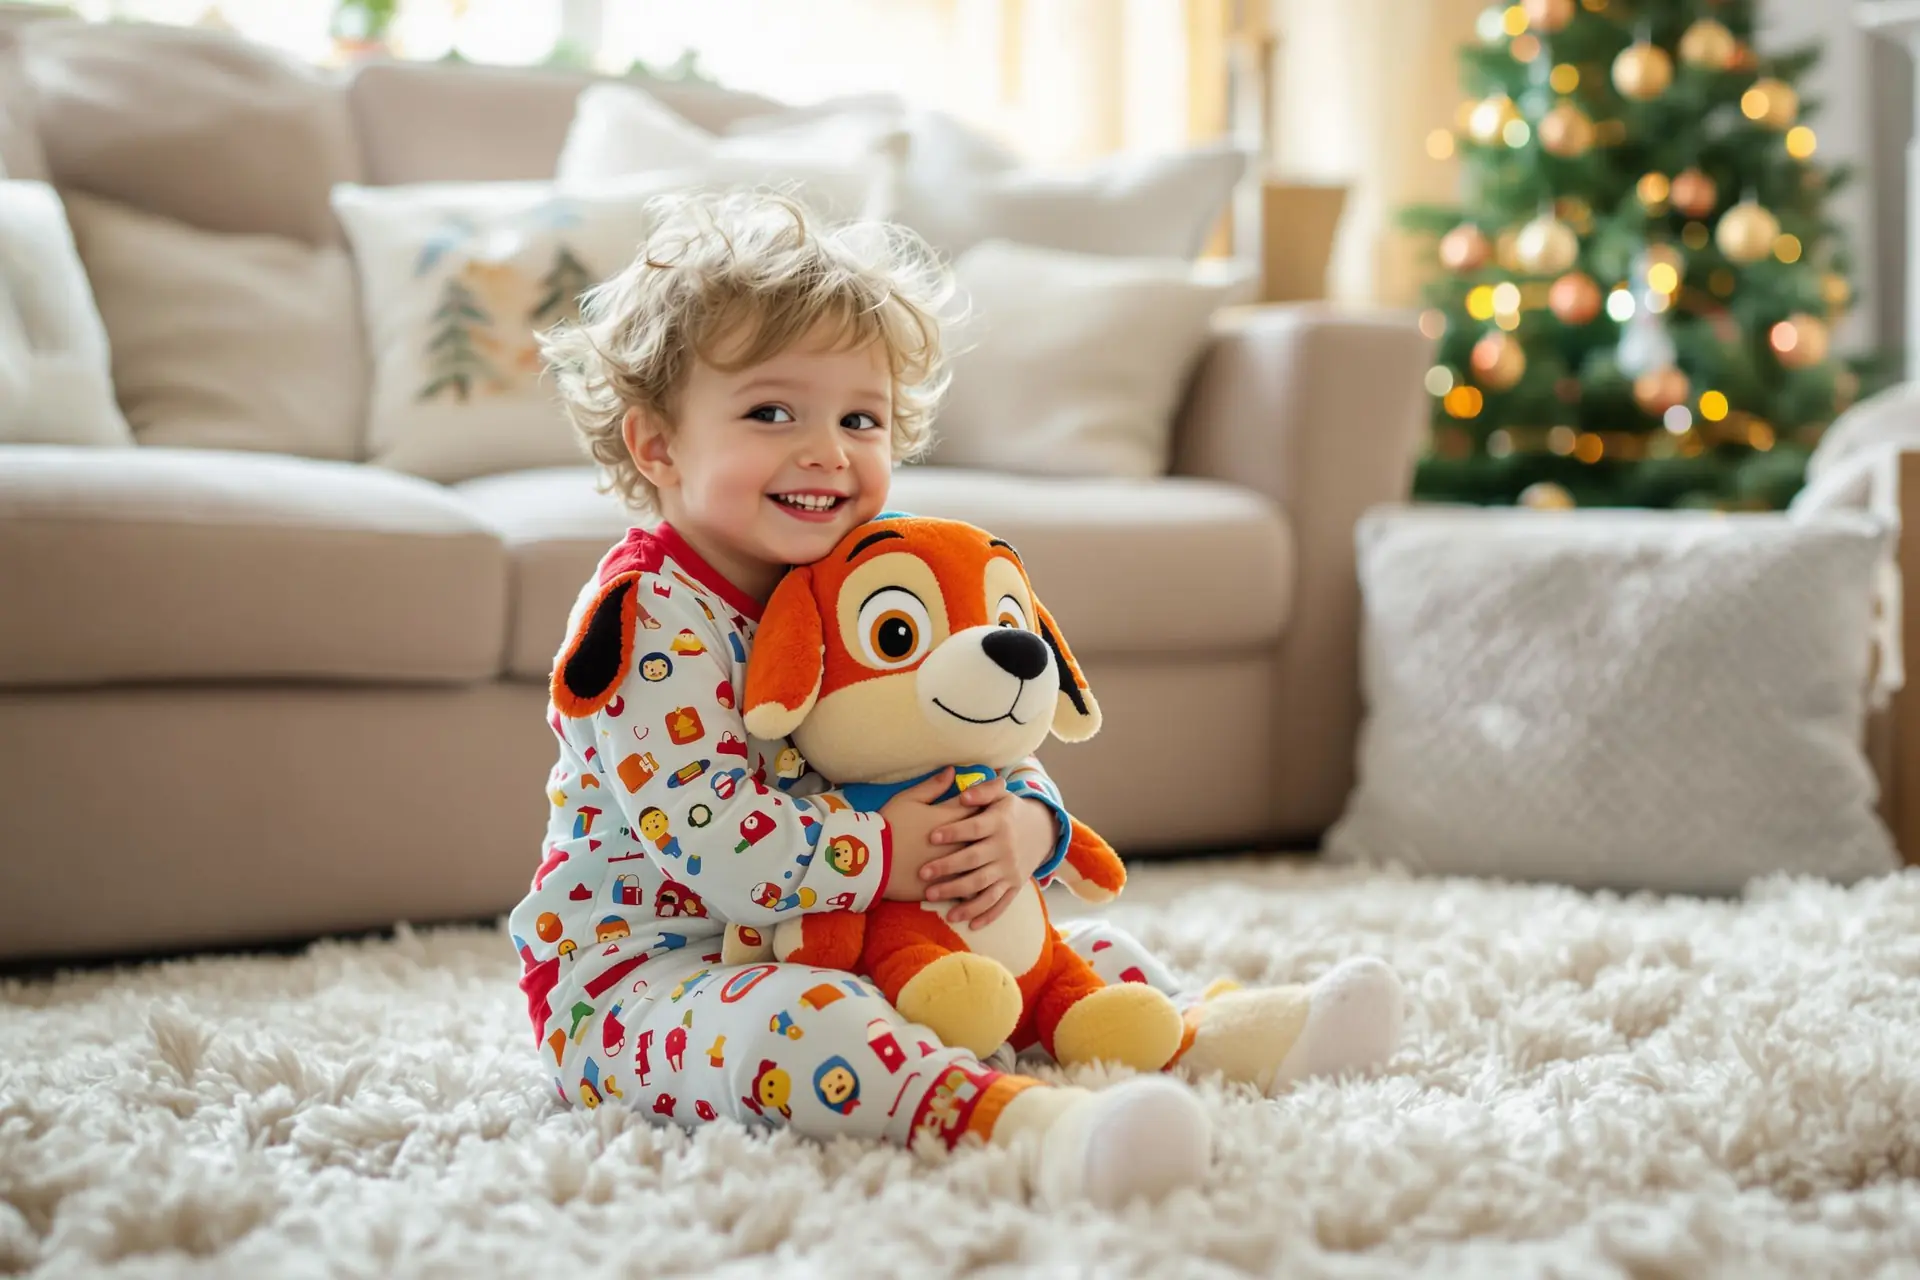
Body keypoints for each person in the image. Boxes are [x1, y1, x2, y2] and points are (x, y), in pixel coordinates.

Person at [511, 188, 1402, 1209]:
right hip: (652, 975)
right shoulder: (647, 618)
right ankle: (1020, 1122)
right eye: (772, 412)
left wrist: (1024, 823)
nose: (827, 450)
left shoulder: (859, 566)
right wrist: (892, 849)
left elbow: (960, 727)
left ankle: (1217, 1031)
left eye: (861, 417)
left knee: (1068, 951)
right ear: (657, 447)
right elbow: (715, 838)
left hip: (870, 929)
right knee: (802, 1024)